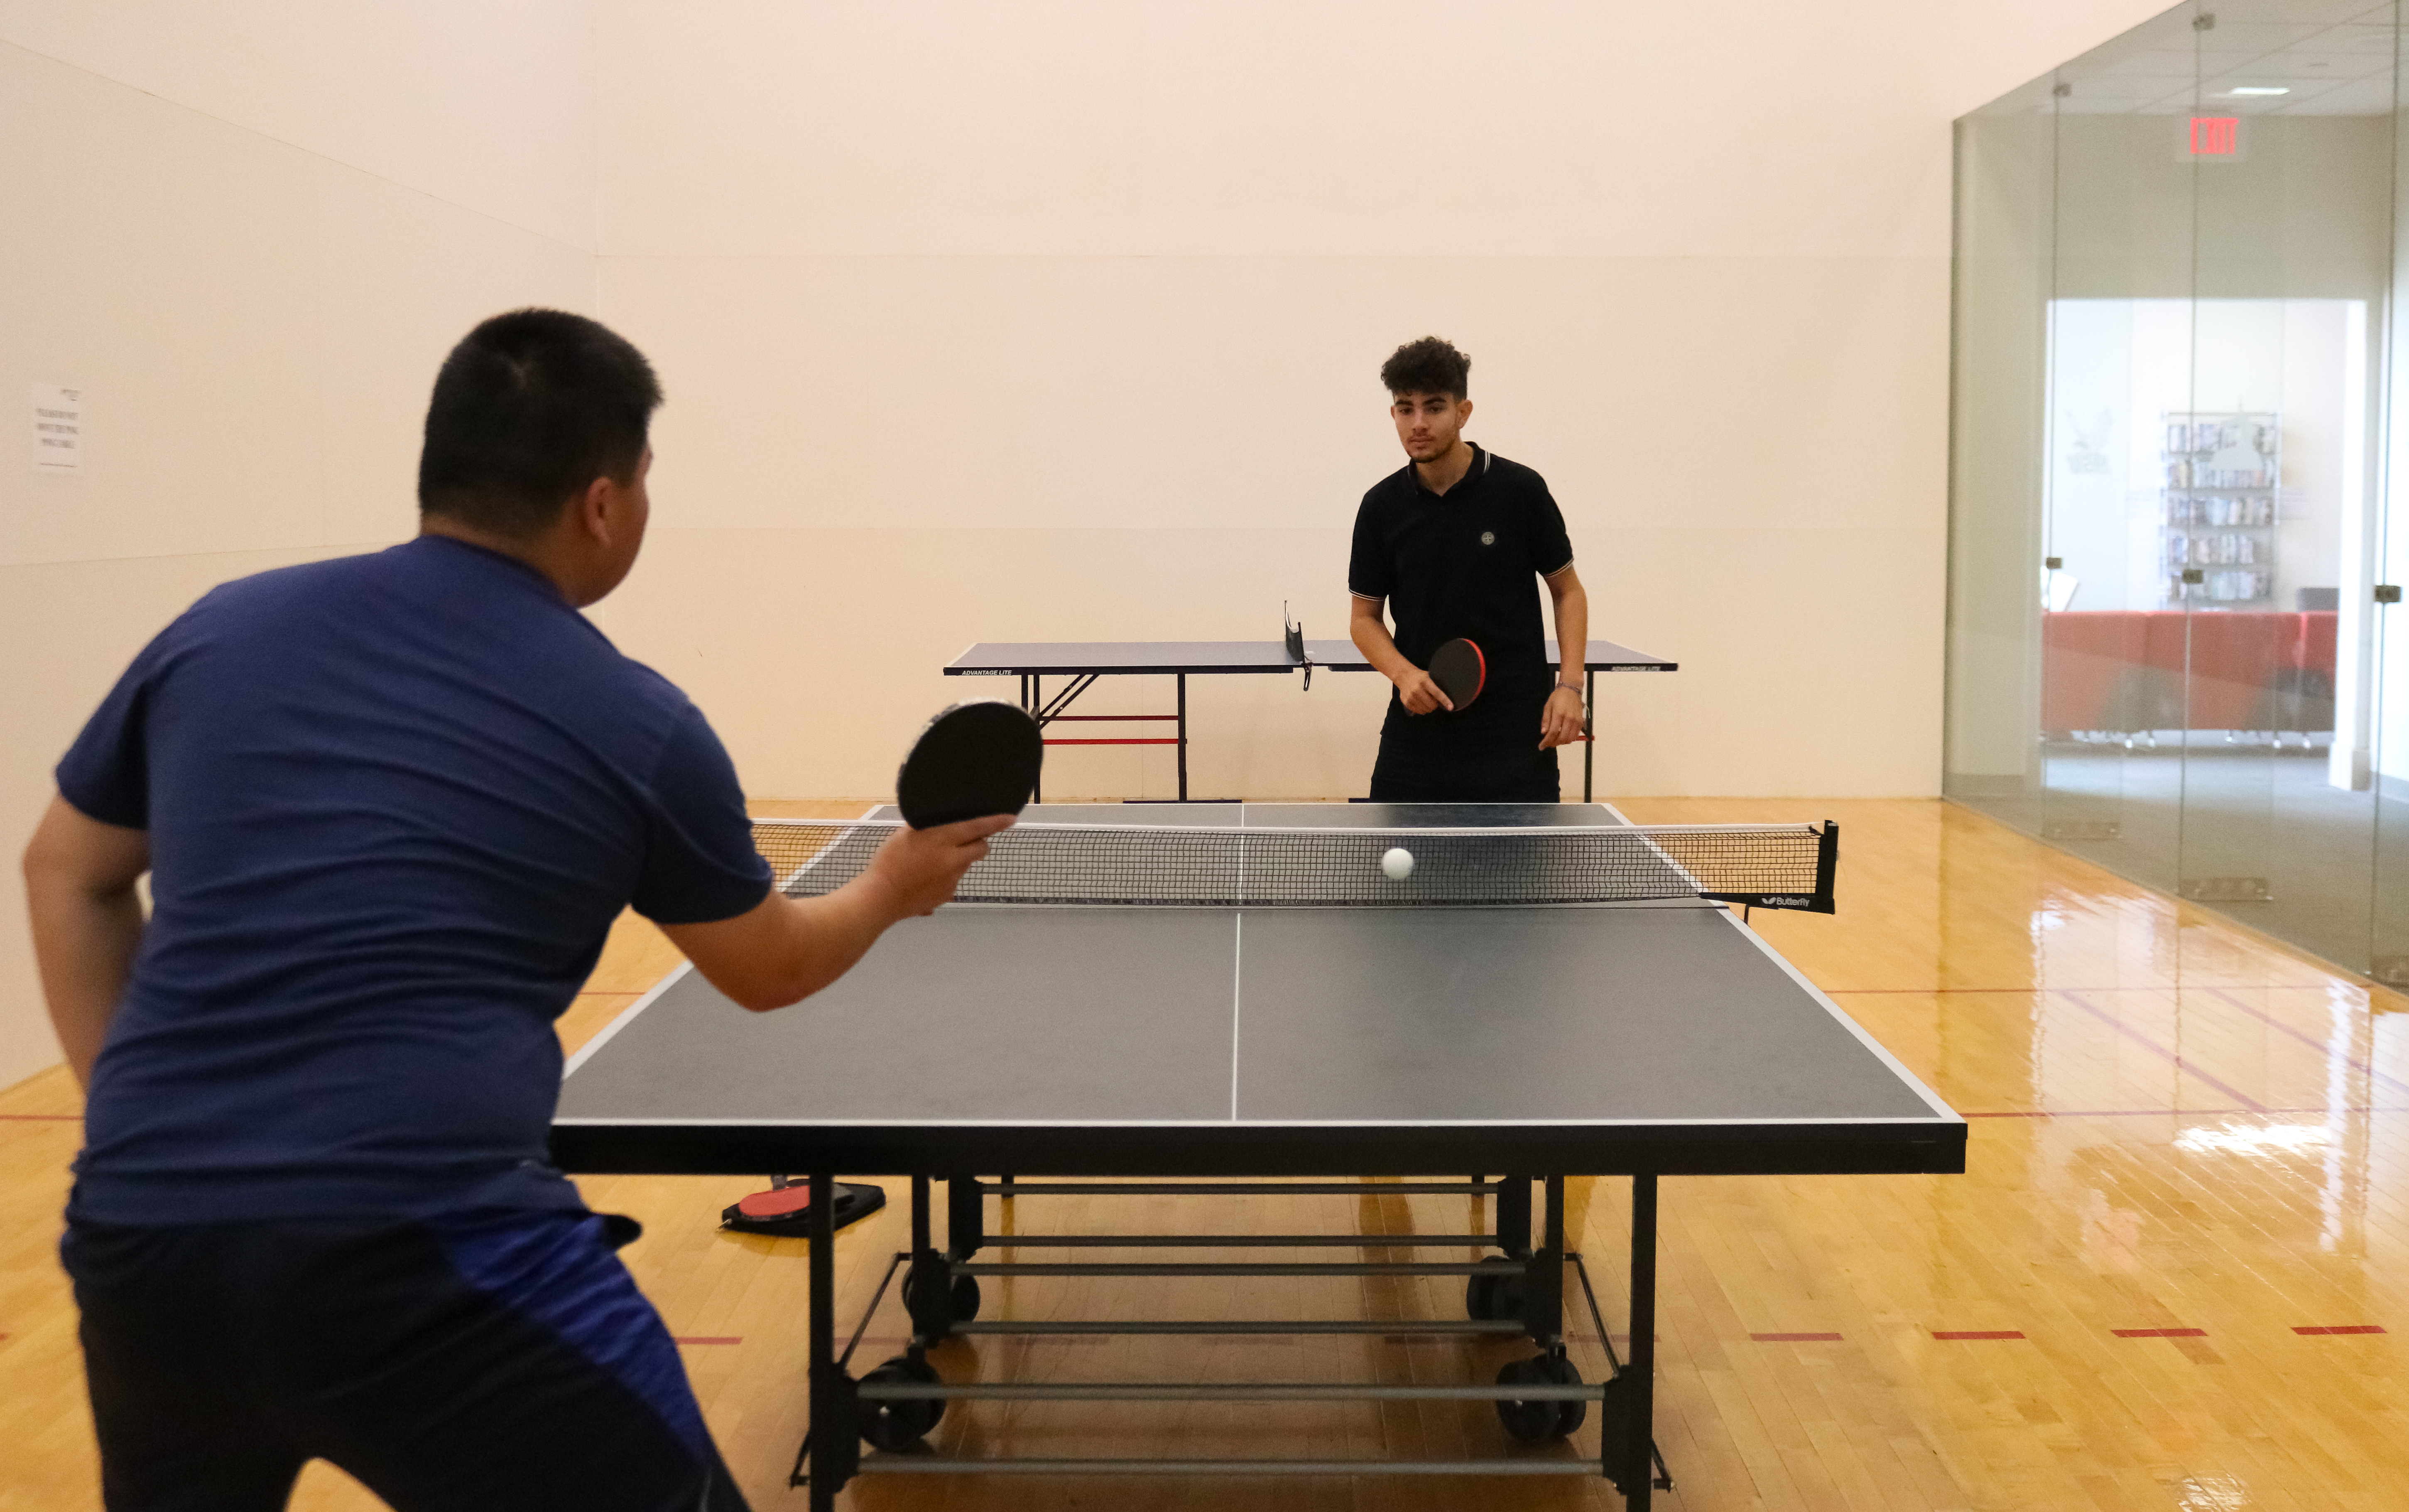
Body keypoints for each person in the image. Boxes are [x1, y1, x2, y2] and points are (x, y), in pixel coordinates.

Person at [18, 308, 1007, 1512]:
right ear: (604, 501)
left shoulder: (220, 629)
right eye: (647, 483)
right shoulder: (631, 718)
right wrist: (897, 884)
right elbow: (771, 968)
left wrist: (137, 1109)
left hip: (142, 1241)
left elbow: (63, 870)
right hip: (425, 1253)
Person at [1348, 336, 1590, 802]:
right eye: (1405, 408)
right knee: (1391, 871)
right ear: (1393, 414)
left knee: (1519, 874)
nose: (1418, 423)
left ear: (1463, 412)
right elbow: (1363, 619)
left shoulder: (1519, 491)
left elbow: (1567, 591)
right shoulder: (1381, 507)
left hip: (1514, 729)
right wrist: (1402, 674)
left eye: (1433, 407)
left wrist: (1570, 686)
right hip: (1417, 729)